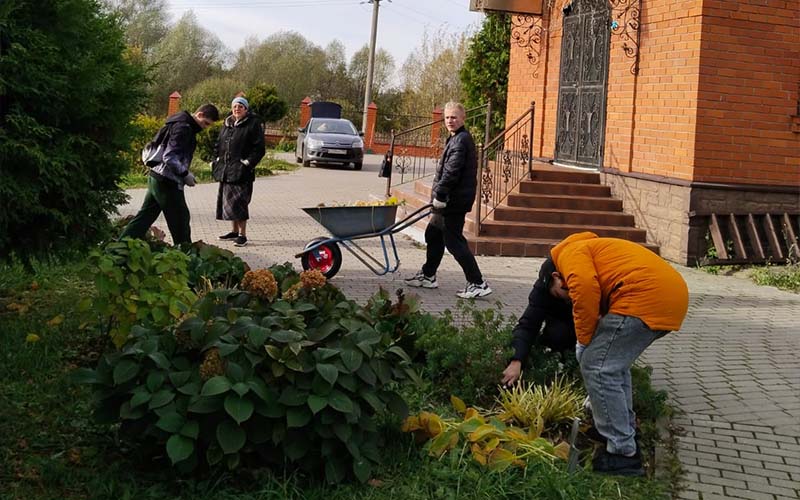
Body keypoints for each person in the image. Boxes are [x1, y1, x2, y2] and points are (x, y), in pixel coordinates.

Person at [522, 231, 688, 476]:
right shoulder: (588, 249)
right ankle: (622, 427)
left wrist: (583, 341)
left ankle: (622, 452)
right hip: (667, 298)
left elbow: (585, 290)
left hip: (644, 299)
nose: (566, 300)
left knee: (598, 367)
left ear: (557, 277)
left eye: (559, 293)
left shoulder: (570, 255)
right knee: (613, 366)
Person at [404, 101, 492, 299]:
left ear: (463, 118)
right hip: (448, 200)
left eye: (454, 117)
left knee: (454, 242)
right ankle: (428, 276)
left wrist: (441, 195)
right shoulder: (455, 138)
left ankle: (478, 283)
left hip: (452, 202)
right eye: (447, 117)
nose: (450, 121)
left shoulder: (461, 141)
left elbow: (452, 171)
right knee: (433, 235)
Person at [121, 104, 220, 245]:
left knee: (144, 218)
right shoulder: (184, 128)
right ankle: (186, 257)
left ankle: (118, 248)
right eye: (205, 123)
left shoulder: (176, 122)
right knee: (180, 221)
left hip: (156, 176)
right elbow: (169, 156)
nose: (205, 127)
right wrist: (185, 174)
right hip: (168, 181)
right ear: (199, 114)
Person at [500, 257, 577, 387]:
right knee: (557, 333)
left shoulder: (587, 286)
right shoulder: (543, 289)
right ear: (555, 277)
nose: (570, 297)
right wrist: (516, 360)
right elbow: (528, 326)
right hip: (561, 332)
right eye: (561, 293)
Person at [213, 96, 266, 247]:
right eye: (235, 106)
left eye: (240, 107)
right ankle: (234, 232)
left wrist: (247, 163)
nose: (237, 109)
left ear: (246, 109)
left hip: (242, 172)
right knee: (229, 204)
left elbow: (259, 148)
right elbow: (218, 144)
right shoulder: (227, 124)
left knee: (240, 204)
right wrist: (216, 159)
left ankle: (243, 235)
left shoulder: (253, 124)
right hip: (226, 170)